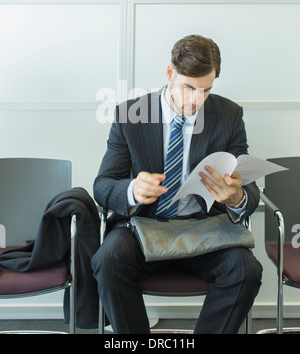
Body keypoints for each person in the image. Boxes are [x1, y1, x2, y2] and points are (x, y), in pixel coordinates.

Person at [91, 34, 262, 334]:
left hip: (204, 230)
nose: (196, 100)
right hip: (144, 228)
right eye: (189, 88)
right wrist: (132, 190)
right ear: (170, 73)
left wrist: (236, 198)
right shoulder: (130, 115)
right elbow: (103, 185)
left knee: (246, 270)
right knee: (108, 260)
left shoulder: (228, 115)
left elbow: (246, 185)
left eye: (206, 90)